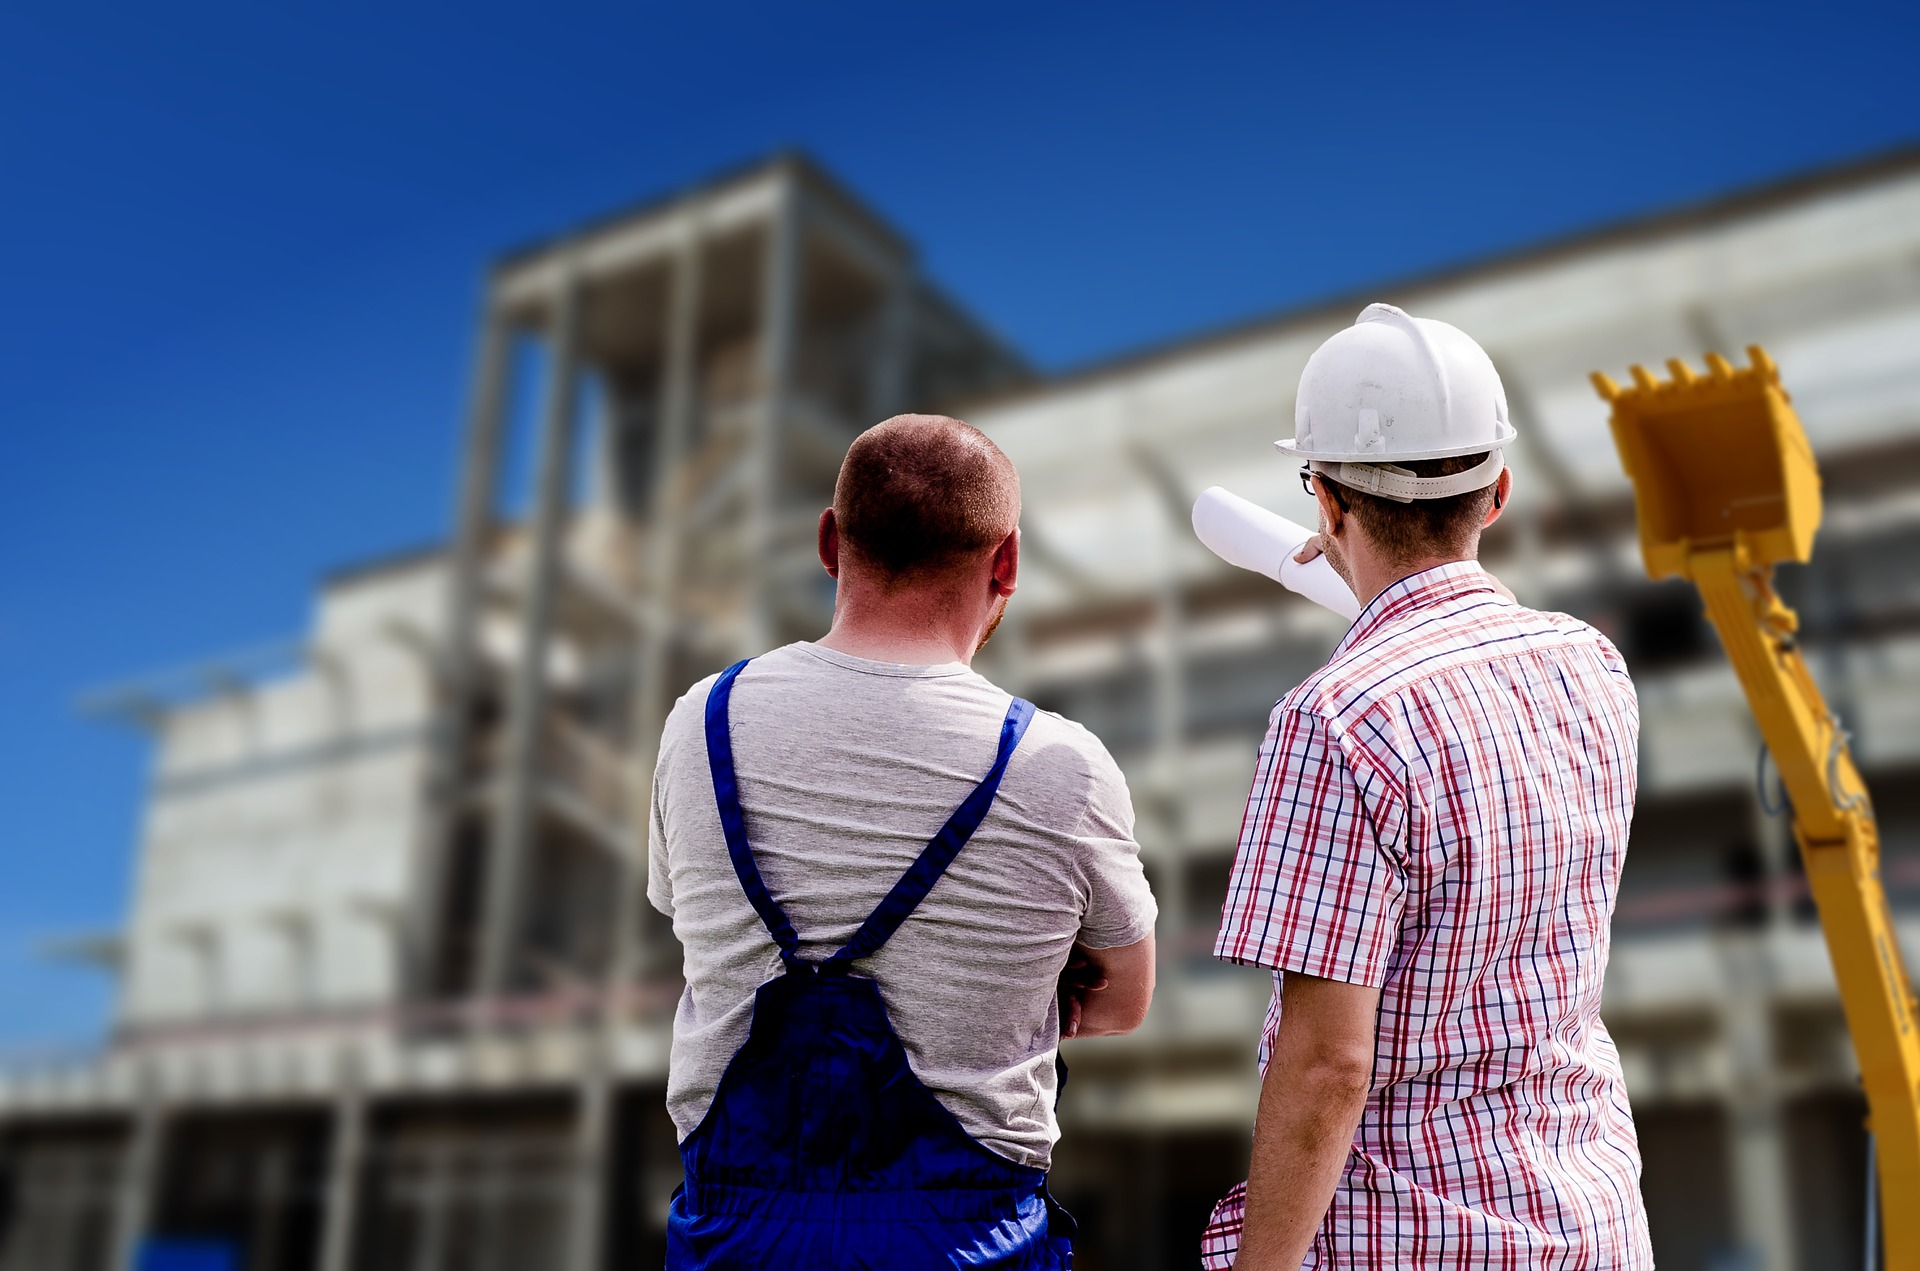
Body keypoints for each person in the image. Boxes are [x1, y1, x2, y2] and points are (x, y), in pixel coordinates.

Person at [1200, 305, 1652, 1269]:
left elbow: (1328, 1065)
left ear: (1324, 503)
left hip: (1415, 1241)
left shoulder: (1334, 723)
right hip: (1592, 1221)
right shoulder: (1593, 668)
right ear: (1497, 493)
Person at [650, 413, 1158, 1268]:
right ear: (1008, 562)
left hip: (735, 1242)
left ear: (828, 540)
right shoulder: (1060, 766)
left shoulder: (701, 721)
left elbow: (683, 917)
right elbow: (1124, 999)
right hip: (969, 1245)